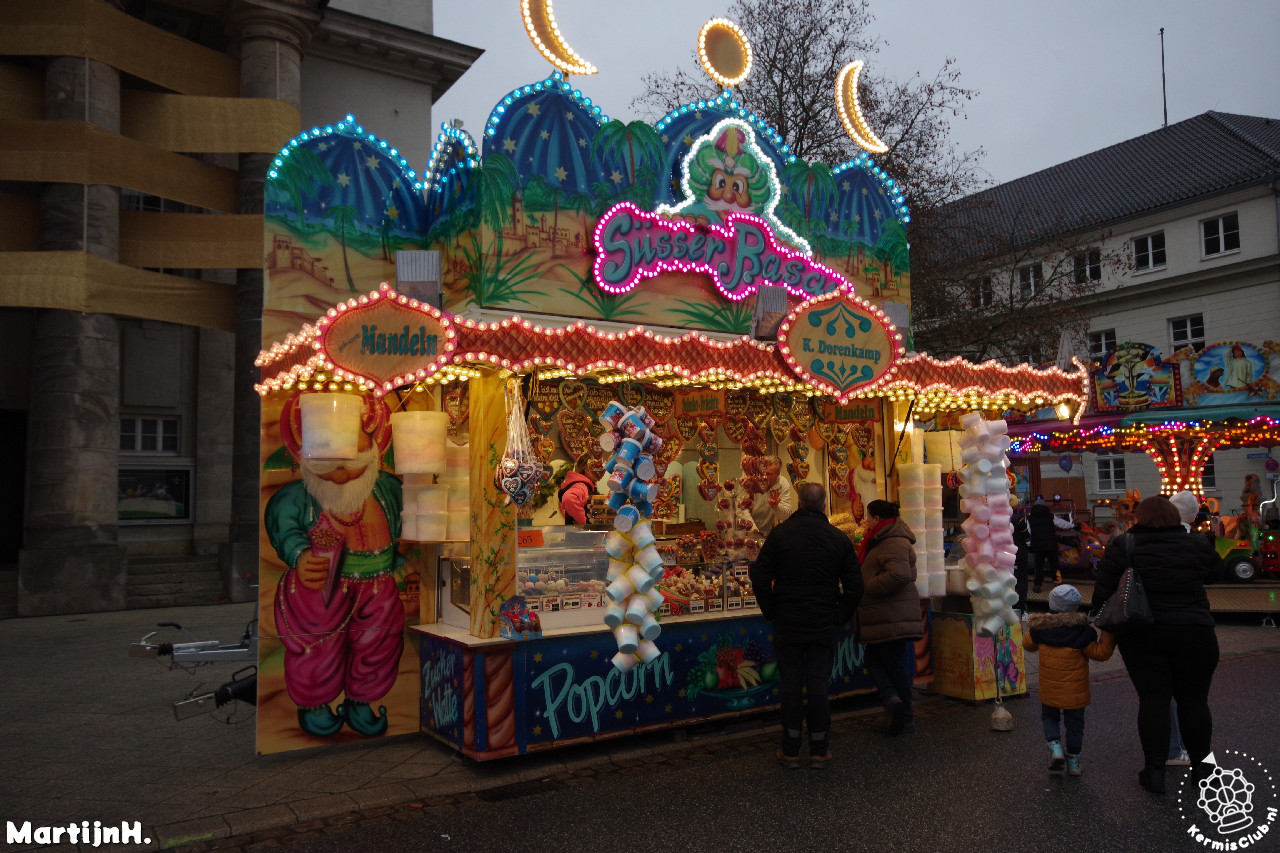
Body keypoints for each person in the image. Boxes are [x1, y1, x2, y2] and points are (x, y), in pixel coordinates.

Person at [266, 392, 404, 739]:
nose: (341, 465)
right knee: (317, 645)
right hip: (318, 589)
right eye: (327, 452)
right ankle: (314, 702)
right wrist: (299, 554)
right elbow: (284, 525)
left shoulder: (387, 489)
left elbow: (409, 516)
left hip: (378, 583)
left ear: (373, 447)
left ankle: (363, 700)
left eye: (353, 449)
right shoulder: (297, 496)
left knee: (379, 641)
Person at [1091, 495, 1220, 795]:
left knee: (1153, 700)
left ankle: (1155, 771)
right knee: (1195, 701)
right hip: (1195, 631)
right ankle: (1203, 769)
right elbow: (1216, 573)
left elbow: (1102, 593)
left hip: (1143, 635)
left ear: (1140, 518)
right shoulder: (1196, 544)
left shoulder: (1125, 545)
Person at [749, 482, 862, 769]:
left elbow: (759, 575)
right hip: (823, 622)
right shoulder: (838, 538)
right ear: (824, 505)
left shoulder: (780, 534)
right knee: (817, 685)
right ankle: (819, 750)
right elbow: (855, 586)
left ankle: (790, 750)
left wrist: (771, 609)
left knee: (791, 685)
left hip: (788, 621)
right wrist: (840, 615)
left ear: (798, 503)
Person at [1023, 584, 1116, 776]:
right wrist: (1109, 631)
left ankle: (1056, 747)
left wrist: (1036, 627)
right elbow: (1102, 653)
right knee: (1075, 725)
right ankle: (1074, 763)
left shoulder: (1040, 630)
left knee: (1049, 717)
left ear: (1051, 604)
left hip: (1050, 689)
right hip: (1075, 693)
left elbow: (1027, 645)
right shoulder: (1083, 632)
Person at [857, 499, 924, 735]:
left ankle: (903, 713)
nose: (866, 521)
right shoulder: (882, 538)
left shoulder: (892, 540)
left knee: (892, 663)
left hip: (892, 614)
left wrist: (869, 586)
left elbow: (900, 574)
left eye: (868, 516)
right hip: (887, 614)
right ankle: (895, 704)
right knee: (879, 660)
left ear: (876, 518)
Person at [1028, 497, 1073, 592]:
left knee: (1038, 566)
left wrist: (1028, 544)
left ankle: (1037, 585)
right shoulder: (1050, 516)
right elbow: (1061, 523)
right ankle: (1058, 582)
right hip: (1051, 545)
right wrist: (1072, 525)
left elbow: (1029, 532)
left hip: (1038, 546)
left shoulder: (1030, 518)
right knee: (1055, 565)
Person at [749, 454, 797, 536]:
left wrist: (776, 507)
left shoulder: (782, 483)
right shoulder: (751, 480)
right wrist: (754, 530)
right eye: (762, 472)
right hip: (746, 529)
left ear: (777, 474)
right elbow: (741, 509)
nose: (763, 476)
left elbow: (786, 515)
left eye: (768, 474)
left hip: (766, 532)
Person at [558, 458, 597, 525]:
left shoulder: (582, 484)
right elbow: (568, 498)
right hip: (580, 531)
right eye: (596, 468)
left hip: (575, 530)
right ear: (587, 470)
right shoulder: (582, 486)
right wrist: (582, 521)